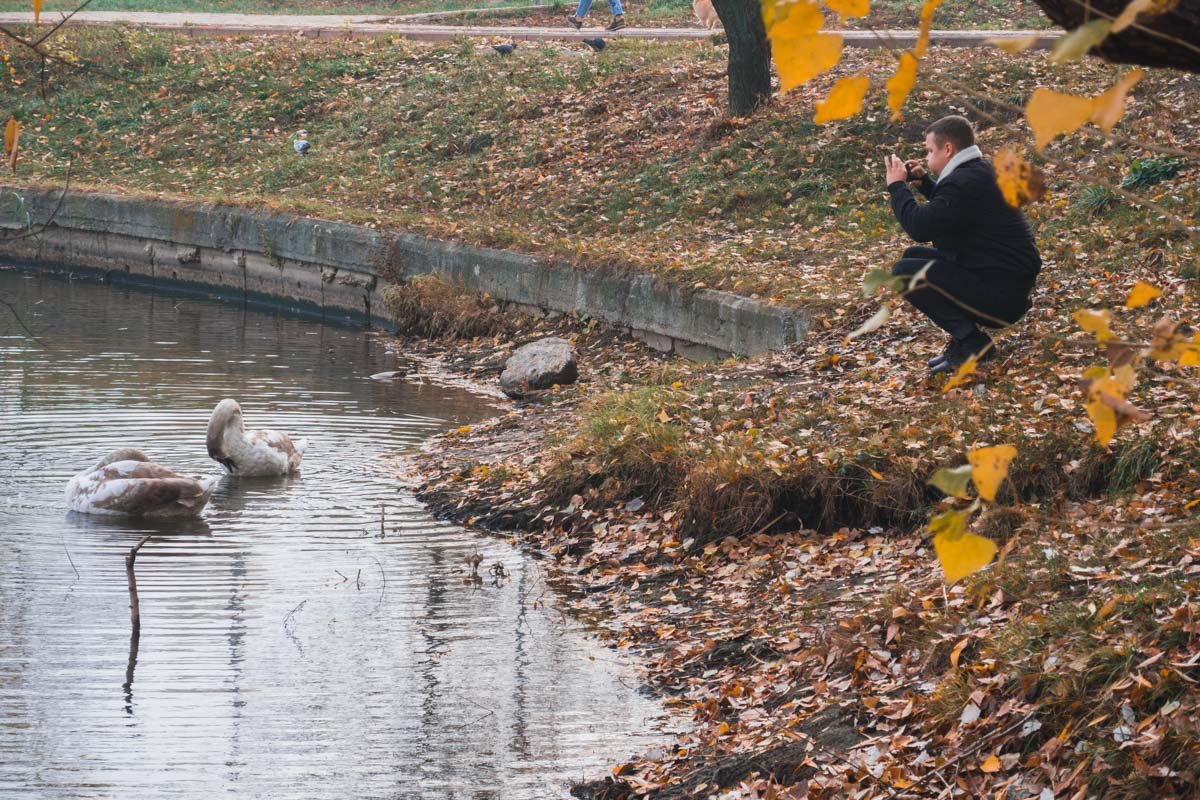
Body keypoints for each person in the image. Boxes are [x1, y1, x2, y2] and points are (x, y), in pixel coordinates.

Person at [883, 115, 1041, 375]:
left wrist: (897, 187)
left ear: (948, 149)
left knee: (904, 273)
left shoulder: (963, 182)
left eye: (930, 151)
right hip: (1006, 284)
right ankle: (964, 340)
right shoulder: (979, 171)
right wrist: (925, 184)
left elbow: (919, 227)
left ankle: (973, 343)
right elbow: (954, 212)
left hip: (1001, 297)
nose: (927, 157)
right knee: (913, 257)